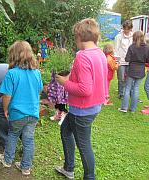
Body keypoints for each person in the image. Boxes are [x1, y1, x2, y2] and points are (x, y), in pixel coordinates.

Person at [54, 18, 108, 180]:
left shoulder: (83, 57)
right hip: (91, 107)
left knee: (84, 146)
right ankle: (69, 168)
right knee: (65, 130)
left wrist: (64, 82)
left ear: (79, 36)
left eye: (74, 37)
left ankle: (89, 177)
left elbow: (85, 89)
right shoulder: (99, 53)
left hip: (82, 110)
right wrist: (71, 76)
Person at [0, 41, 43, 176]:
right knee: (29, 140)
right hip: (33, 113)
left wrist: (5, 109)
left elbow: (7, 95)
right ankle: (25, 167)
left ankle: (7, 160)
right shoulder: (37, 73)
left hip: (17, 113)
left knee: (13, 135)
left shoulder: (11, 74)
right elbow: (39, 90)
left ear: (13, 56)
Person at [119, 31, 149, 113]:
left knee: (127, 88)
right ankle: (133, 109)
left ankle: (124, 108)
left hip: (132, 70)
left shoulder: (132, 47)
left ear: (134, 38)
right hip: (141, 70)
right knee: (136, 89)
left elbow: (127, 59)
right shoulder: (146, 48)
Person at [114, 20, 133, 99]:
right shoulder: (118, 37)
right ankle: (121, 93)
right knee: (121, 77)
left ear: (131, 28)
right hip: (121, 60)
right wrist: (117, 60)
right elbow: (116, 49)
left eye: (128, 29)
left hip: (130, 61)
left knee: (130, 77)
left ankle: (129, 93)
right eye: (125, 28)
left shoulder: (133, 36)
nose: (126, 30)